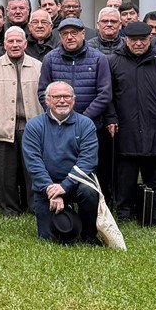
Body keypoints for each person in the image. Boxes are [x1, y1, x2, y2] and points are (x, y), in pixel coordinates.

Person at [106, 22, 156, 224]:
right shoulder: (112, 62)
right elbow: (107, 95)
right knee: (125, 176)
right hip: (125, 128)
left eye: (142, 40)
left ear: (150, 39)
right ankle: (124, 212)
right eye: (133, 40)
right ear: (125, 40)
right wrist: (111, 118)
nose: (138, 44)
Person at [38, 17, 113, 197]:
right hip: (59, 125)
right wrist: (59, 116)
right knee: (60, 165)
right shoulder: (50, 58)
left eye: (74, 33)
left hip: (91, 125)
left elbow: (105, 93)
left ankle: (96, 203)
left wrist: (83, 119)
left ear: (83, 34)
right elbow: (43, 92)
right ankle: (60, 198)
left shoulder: (98, 58)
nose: (70, 37)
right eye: (65, 34)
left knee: (92, 166)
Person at [21, 81, 100, 244]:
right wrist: (51, 189)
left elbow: (88, 161)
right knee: (49, 238)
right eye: (56, 96)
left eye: (67, 96)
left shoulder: (86, 125)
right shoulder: (34, 125)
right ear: (47, 100)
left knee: (89, 193)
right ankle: (65, 214)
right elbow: (33, 162)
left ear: (74, 99)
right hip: (46, 187)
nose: (62, 100)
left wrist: (64, 187)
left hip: (77, 183)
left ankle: (88, 234)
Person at [0, 26, 42, 215]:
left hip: (32, 128)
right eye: (10, 41)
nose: (14, 45)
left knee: (33, 171)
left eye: (18, 41)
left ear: (25, 44)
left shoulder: (38, 66)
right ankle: (10, 207)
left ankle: (35, 206)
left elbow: (47, 95)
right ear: (4, 44)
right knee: (6, 173)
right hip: (3, 128)